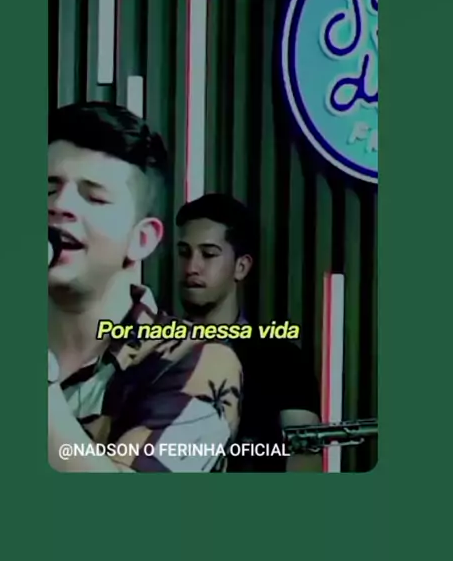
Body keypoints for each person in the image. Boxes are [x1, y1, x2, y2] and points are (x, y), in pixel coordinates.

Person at [48, 102, 242, 473]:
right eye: (47, 189)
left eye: (94, 197)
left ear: (142, 240)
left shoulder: (193, 360)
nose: (60, 205)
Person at [175, 193, 322, 472]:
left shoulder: (284, 361)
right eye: (184, 253)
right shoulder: (147, 352)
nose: (191, 267)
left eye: (208, 254)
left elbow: (305, 468)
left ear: (241, 267)